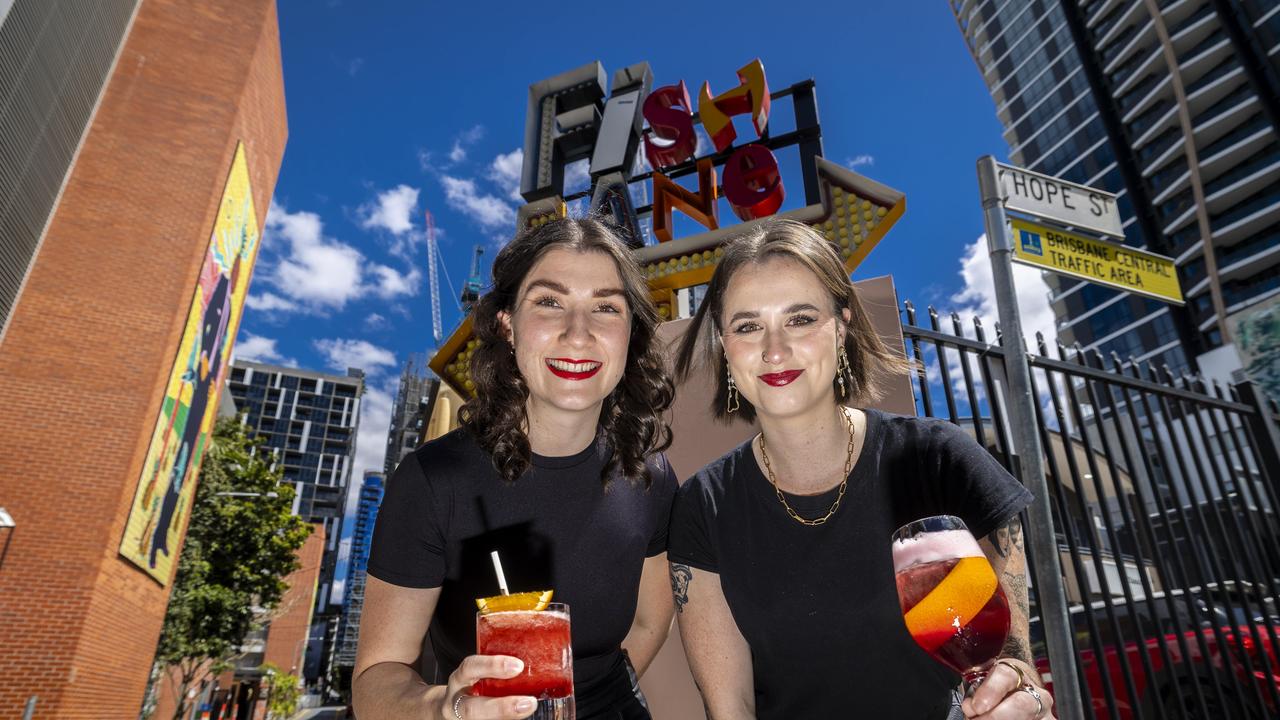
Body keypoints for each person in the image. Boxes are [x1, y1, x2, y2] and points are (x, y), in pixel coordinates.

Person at [668, 218, 1054, 719]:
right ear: (724, 347)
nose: (775, 348)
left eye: (801, 318)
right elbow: (730, 709)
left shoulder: (941, 460)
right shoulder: (703, 507)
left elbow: (1010, 659)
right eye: (747, 326)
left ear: (842, 324)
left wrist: (1018, 692)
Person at [353, 217, 677, 720]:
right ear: (507, 323)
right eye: (550, 302)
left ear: (630, 333)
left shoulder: (648, 472)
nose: (579, 332)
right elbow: (377, 678)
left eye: (606, 307)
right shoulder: (434, 481)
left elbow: (651, 621)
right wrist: (448, 707)